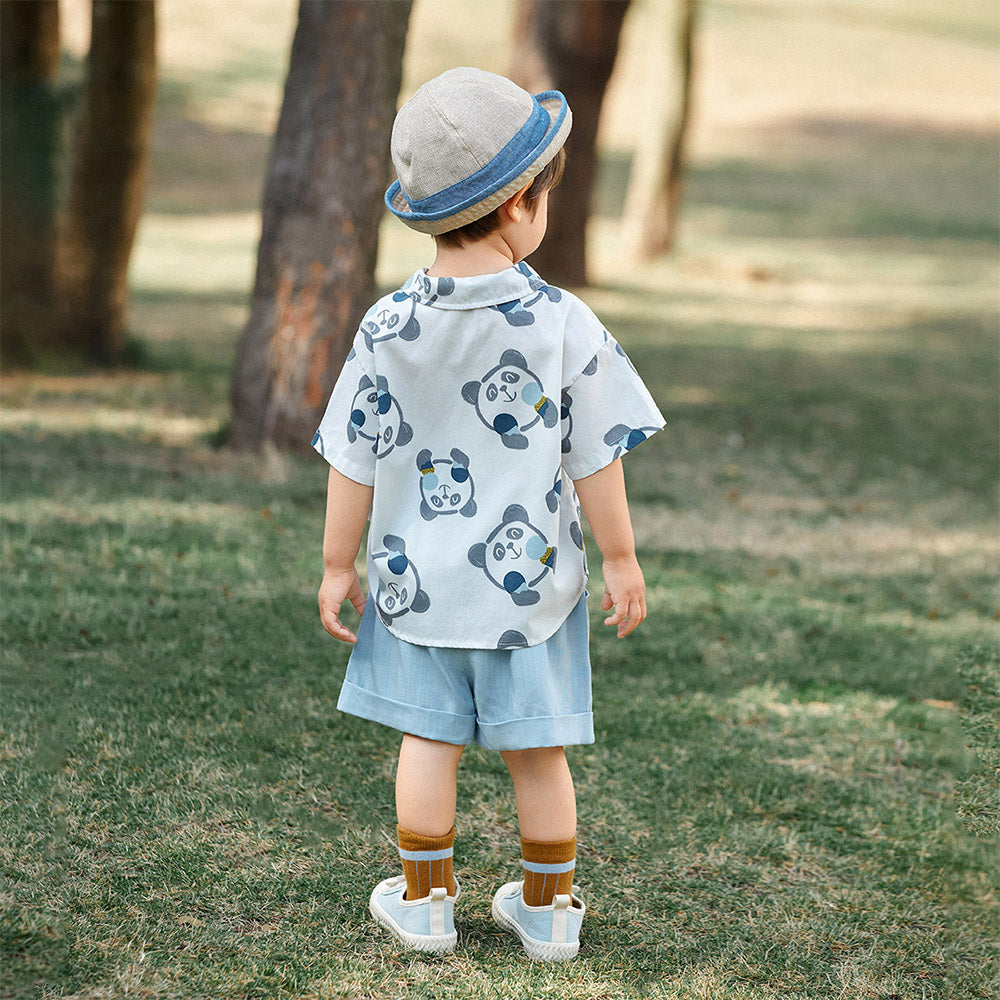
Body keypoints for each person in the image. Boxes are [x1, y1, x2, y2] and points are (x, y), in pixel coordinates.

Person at [312, 67, 664, 962]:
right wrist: (620, 560)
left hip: (416, 587)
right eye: (546, 192)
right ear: (517, 207)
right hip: (531, 593)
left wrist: (336, 565)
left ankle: (426, 905)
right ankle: (548, 912)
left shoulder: (386, 328)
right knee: (537, 751)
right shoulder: (561, 323)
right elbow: (598, 455)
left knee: (428, 741)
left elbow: (352, 457)